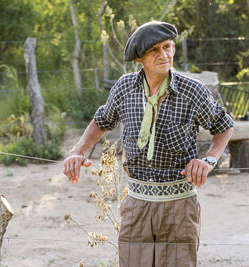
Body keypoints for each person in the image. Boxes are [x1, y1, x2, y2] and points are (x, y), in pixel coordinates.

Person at [63, 21, 234, 267]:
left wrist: (208, 160)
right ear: (139, 59)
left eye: (168, 47)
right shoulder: (124, 88)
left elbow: (224, 126)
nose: (164, 55)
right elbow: (102, 120)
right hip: (136, 204)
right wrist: (78, 151)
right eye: (155, 50)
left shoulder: (192, 91)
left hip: (179, 205)